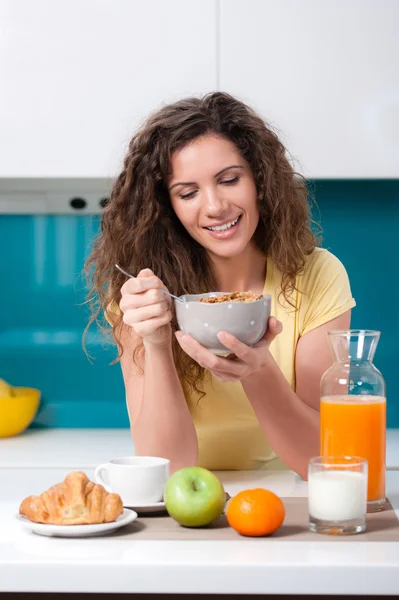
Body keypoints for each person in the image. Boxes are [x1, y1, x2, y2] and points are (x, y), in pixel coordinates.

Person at [85, 92, 355, 480]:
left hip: (291, 494)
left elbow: (324, 461)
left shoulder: (317, 275)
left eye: (229, 180)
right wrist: (157, 343)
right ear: (168, 207)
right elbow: (168, 467)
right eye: (188, 192)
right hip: (189, 500)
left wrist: (258, 370)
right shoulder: (144, 293)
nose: (214, 206)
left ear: (259, 181)